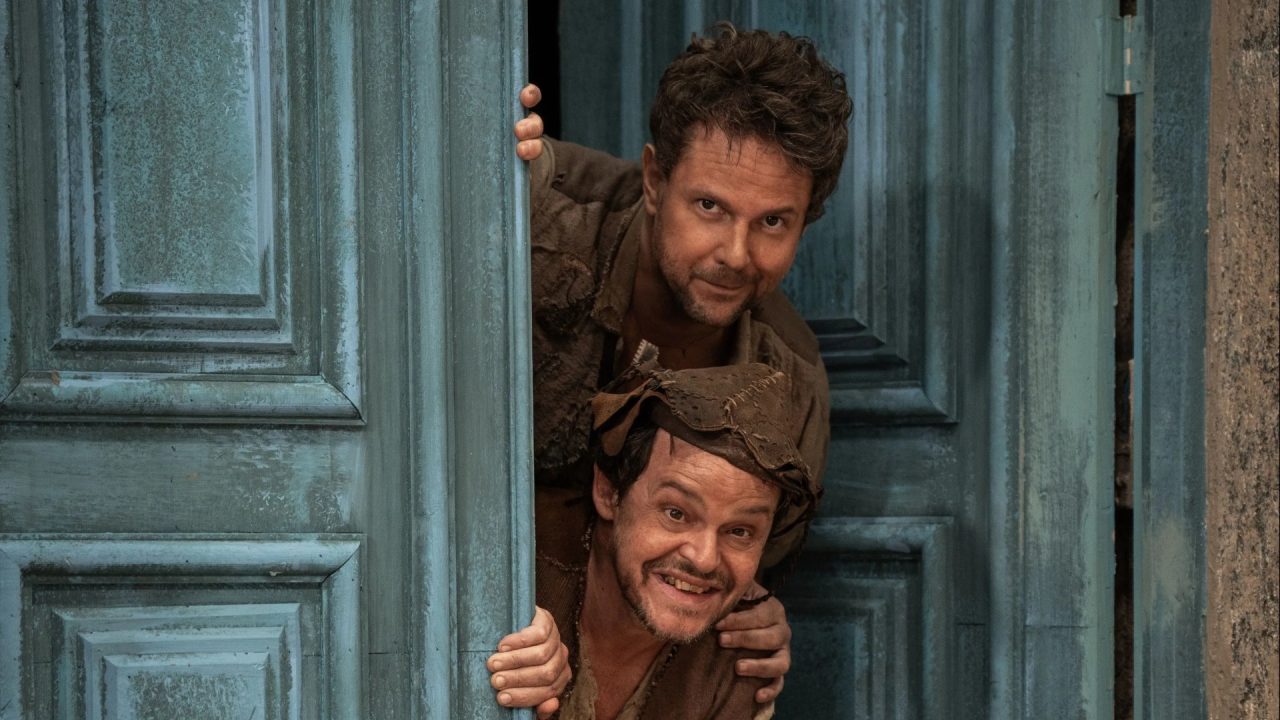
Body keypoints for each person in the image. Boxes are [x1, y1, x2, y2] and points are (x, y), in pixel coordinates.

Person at [512, 22, 853, 704]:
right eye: (709, 206)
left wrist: (753, 617)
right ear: (653, 179)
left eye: (773, 222)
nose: (736, 254)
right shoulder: (535, 217)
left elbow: (721, 580)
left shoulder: (791, 388)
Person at [488, 348, 821, 719]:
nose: (704, 558)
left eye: (740, 531)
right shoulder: (507, 559)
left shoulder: (742, 659)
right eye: (676, 513)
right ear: (609, 492)